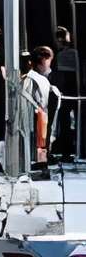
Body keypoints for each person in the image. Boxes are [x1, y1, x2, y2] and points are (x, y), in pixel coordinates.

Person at [21, 46, 62, 167]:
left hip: (38, 115)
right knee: (41, 138)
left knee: (41, 137)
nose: (50, 65)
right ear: (44, 60)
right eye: (49, 61)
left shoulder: (33, 77)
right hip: (37, 115)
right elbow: (39, 101)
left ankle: (41, 160)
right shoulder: (35, 79)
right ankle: (40, 161)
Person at [55, 25, 80, 162]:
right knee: (68, 122)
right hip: (70, 90)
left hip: (67, 91)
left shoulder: (65, 55)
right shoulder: (69, 53)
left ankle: (68, 151)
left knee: (66, 122)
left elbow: (64, 75)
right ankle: (69, 150)